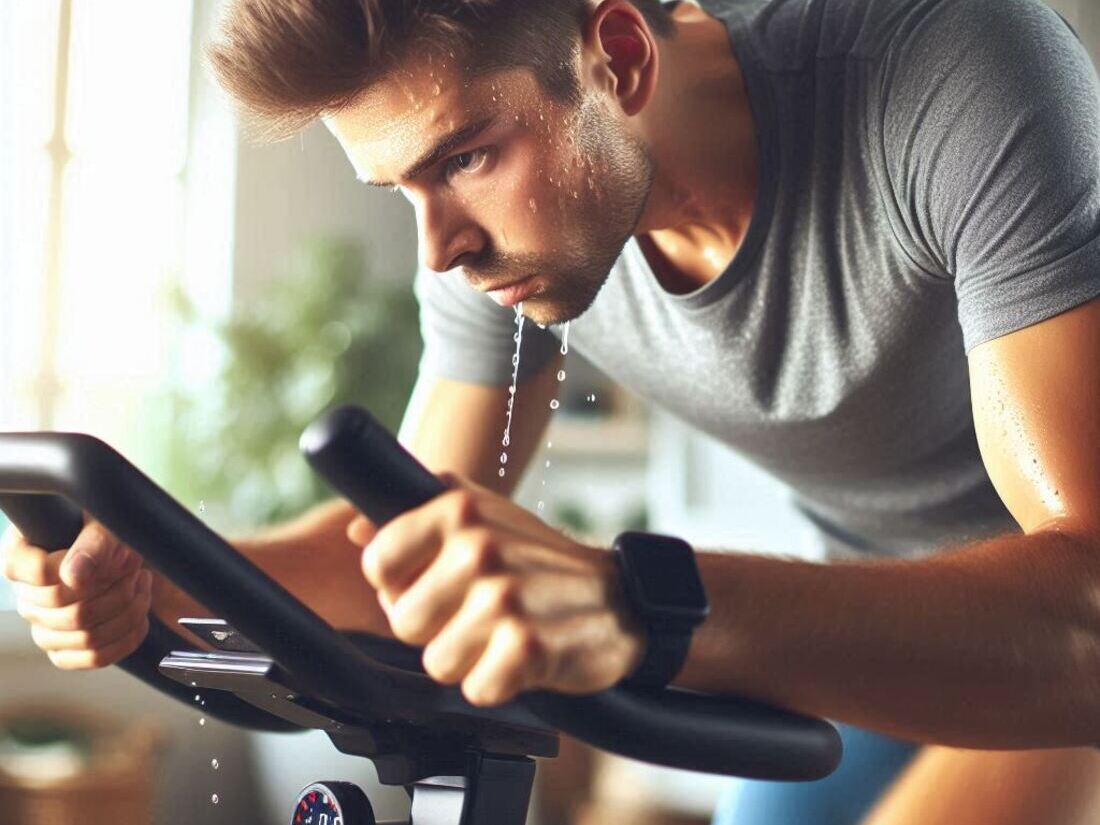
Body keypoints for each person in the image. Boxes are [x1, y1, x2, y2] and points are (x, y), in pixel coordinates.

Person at [3, 0, 1100, 822]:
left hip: (1042, 629)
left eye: (465, 158)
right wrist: (153, 570)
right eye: (402, 190)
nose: (437, 249)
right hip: (865, 605)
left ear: (615, 58)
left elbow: (1083, 611)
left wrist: (640, 604)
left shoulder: (952, 74)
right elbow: (398, 559)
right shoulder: (496, 245)